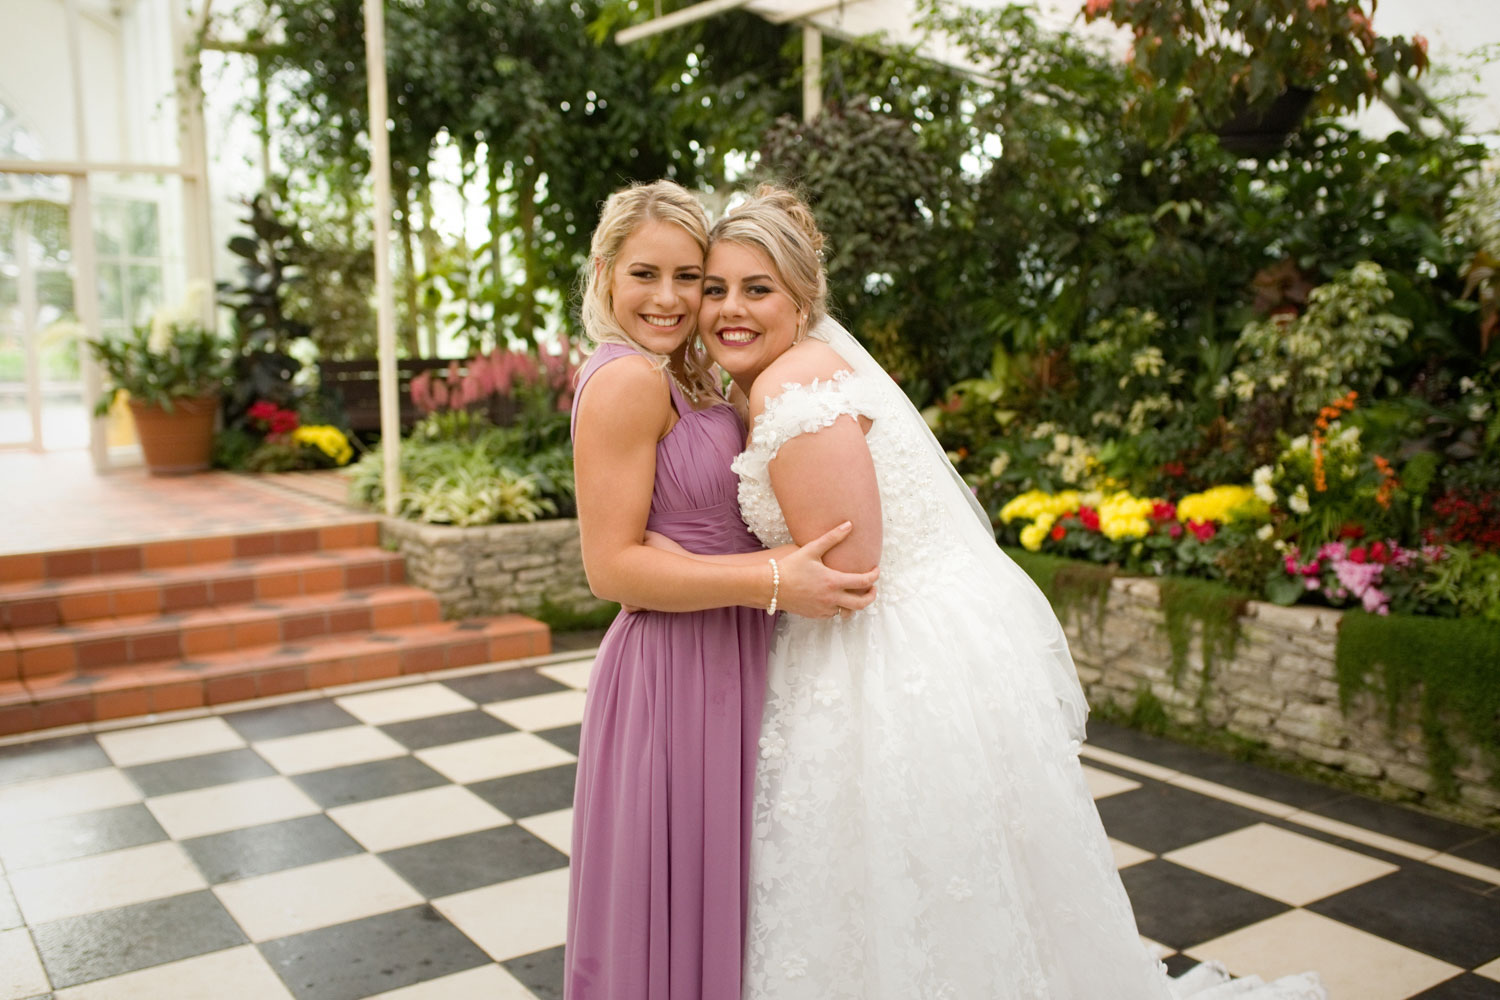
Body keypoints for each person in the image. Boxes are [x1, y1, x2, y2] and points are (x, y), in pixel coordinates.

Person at [692, 185, 1326, 1000]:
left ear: (803, 297)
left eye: (757, 289)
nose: (730, 310)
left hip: (876, 663)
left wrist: (717, 588)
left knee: (887, 875)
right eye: (716, 289)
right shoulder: (786, 377)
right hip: (927, 641)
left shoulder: (791, 387)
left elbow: (843, 576)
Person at [564, 179, 879, 1000]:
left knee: (727, 901)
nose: (669, 300)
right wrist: (774, 579)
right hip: (676, 668)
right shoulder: (629, 379)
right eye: (644, 274)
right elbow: (611, 568)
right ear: (604, 272)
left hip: (731, 653)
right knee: (672, 908)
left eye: (689, 278)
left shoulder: (688, 373)